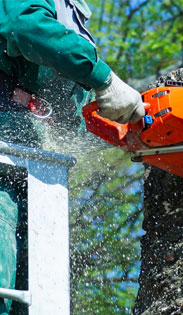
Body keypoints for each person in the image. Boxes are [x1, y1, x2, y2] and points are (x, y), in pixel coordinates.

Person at [0, 0, 145, 313]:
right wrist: (103, 77)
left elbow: (66, 116)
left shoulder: (73, 12)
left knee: (33, 291)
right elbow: (25, 26)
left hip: (34, 166)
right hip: (4, 153)